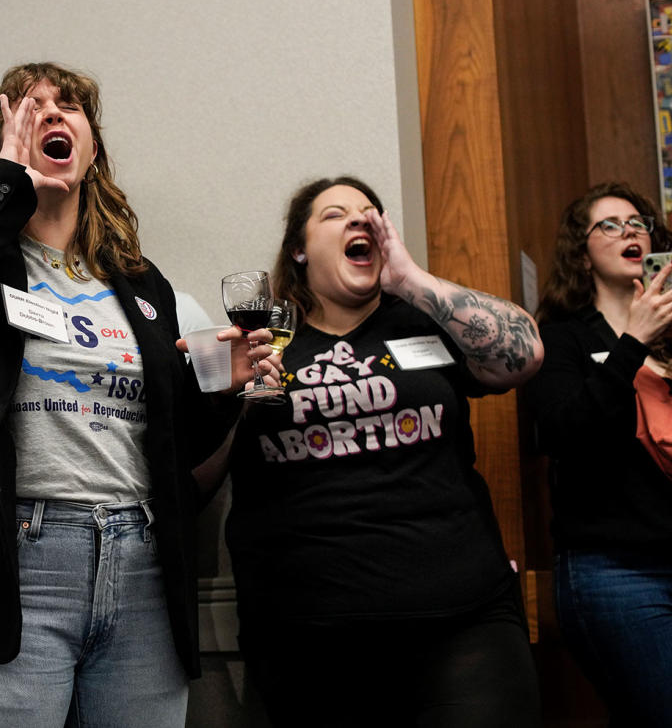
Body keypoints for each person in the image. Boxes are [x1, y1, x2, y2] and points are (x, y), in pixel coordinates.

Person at [0, 62, 267, 727]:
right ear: (1, 140)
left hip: (140, 565)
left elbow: (175, 450)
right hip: (15, 562)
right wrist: (7, 181)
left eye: (71, 107)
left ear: (93, 147)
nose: (54, 114)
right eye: (31, 107)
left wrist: (217, 390)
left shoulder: (142, 286)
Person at [220, 175, 543, 727]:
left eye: (369, 212)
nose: (357, 220)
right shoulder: (259, 343)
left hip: (462, 623)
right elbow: (199, 475)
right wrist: (228, 400)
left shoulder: (423, 321)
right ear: (298, 248)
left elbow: (524, 356)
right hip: (308, 638)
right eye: (335, 214)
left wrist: (411, 280)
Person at [531, 182, 672, 727]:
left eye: (638, 223)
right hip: (617, 571)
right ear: (582, 254)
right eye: (609, 225)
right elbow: (564, 433)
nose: (630, 232)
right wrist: (633, 345)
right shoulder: (562, 341)